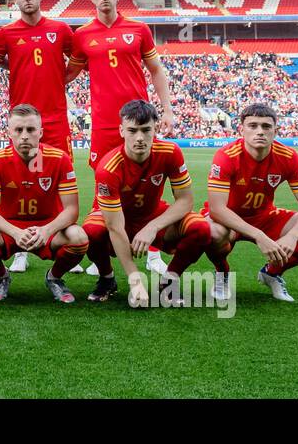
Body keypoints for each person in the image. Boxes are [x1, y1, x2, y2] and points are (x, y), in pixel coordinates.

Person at [65, 0, 175, 276]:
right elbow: (67, 74)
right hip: (103, 124)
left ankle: (153, 252)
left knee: (150, 183)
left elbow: (156, 69)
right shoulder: (82, 34)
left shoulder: (138, 29)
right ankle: (99, 254)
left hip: (139, 122)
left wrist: (167, 110)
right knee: (104, 185)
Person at [203, 103, 298, 302]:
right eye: (253, 126)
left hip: (265, 217)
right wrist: (259, 236)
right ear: (241, 129)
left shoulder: (288, 156)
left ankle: (272, 273)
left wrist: (293, 236)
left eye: (266, 126)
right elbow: (217, 209)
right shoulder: (226, 156)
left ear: (276, 130)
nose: (260, 132)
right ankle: (222, 273)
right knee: (212, 232)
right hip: (229, 219)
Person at [81, 101, 208, 306]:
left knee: (201, 228)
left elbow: (186, 200)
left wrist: (152, 226)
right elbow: (114, 226)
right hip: (117, 219)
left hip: (152, 215)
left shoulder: (170, 152)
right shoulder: (108, 168)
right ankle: (107, 278)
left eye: (146, 130)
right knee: (91, 232)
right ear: (121, 131)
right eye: (132, 130)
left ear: (156, 129)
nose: (139, 138)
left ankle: (169, 282)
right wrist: (135, 280)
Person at [0, 0, 75, 275]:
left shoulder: (61, 29)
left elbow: (78, 59)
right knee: (23, 185)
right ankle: (21, 248)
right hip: (23, 122)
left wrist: (61, 81)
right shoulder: (6, 34)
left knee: (60, 184)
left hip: (55, 120)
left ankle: (62, 240)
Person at [0, 104, 87, 304]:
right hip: (10, 228)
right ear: (9, 132)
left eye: (30, 129)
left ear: (41, 132)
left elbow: (72, 210)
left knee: (78, 237)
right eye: (18, 130)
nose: (24, 135)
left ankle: (54, 278)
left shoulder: (60, 158)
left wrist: (46, 230)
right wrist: (16, 232)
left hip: (48, 227)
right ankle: (2, 277)